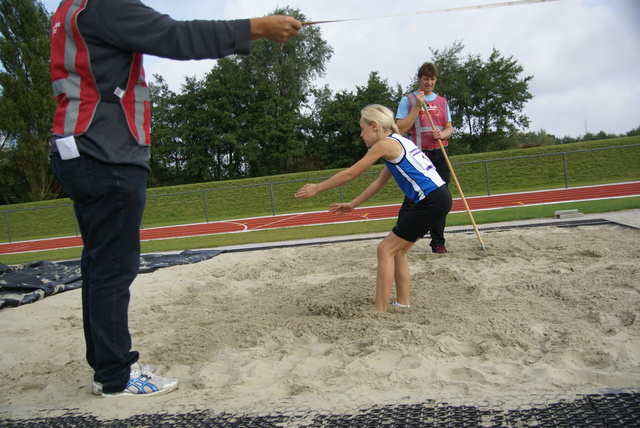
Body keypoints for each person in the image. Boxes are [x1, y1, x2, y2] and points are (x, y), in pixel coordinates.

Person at [49, 0, 301, 397]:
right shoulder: (104, 6)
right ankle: (115, 376)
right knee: (113, 268)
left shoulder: (70, 8)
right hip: (107, 150)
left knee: (100, 266)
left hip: (77, 146)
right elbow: (175, 35)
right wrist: (257, 27)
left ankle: (107, 368)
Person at [295, 104, 452, 313]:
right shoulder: (398, 143)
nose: (361, 134)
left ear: (375, 126)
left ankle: (379, 311)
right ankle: (403, 303)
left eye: (362, 128)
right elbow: (378, 183)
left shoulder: (385, 145)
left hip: (430, 200)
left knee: (385, 249)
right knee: (398, 251)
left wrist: (317, 188)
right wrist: (352, 204)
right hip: (439, 197)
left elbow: (351, 173)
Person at [395, 62, 453, 254]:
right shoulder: (408, 100)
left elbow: (449, 128)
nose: (429, 83)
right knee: (412, 198)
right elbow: (400, 129)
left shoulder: (443, 101)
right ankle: (398, 238)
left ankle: (438, 242)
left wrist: (442, 134)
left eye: (432, 79)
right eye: (426, 79)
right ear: (419, 79)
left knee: (441, 198)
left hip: (439, 152)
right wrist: (417, 107)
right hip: (418, 155)